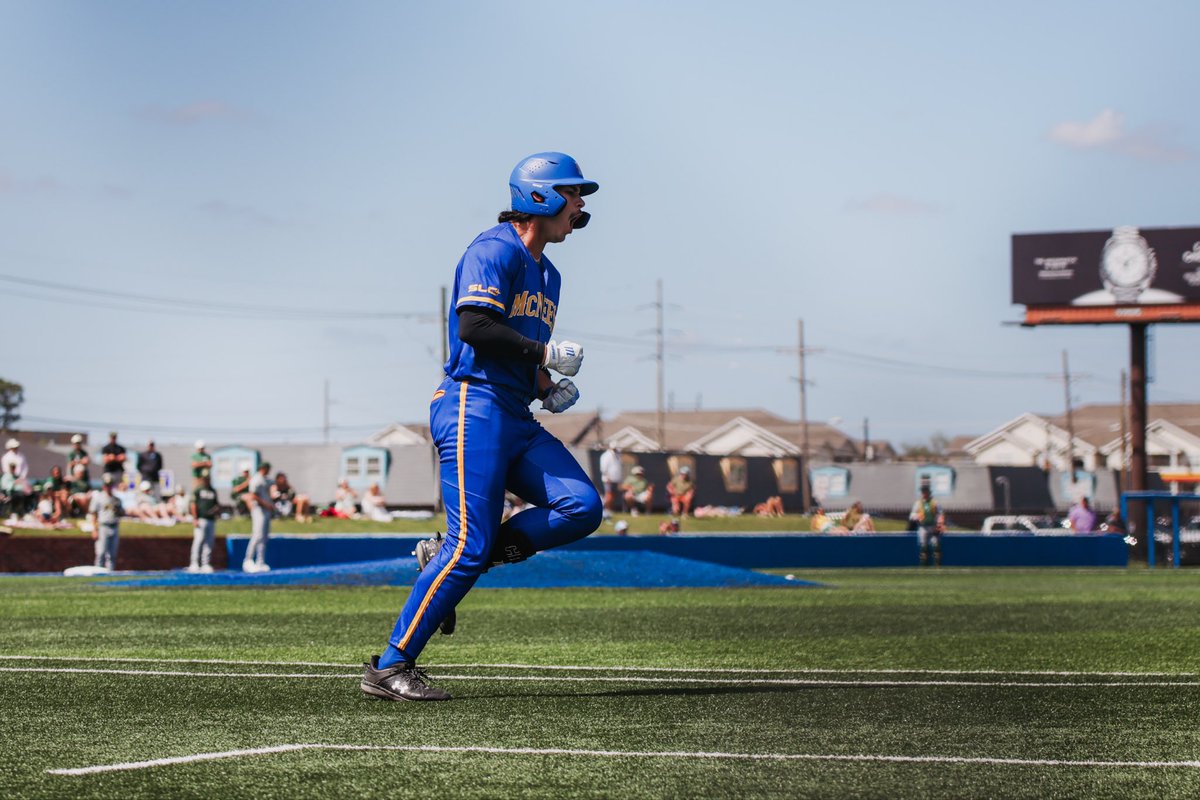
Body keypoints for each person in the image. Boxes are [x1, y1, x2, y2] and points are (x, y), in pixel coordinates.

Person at [363, 151, 603, 703]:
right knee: (469, 545)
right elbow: (474, 325)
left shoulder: (550, 272)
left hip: (514, 411)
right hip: (473, 406)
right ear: (539, 196)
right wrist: (544, 351)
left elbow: (511, 346)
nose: (581, 204)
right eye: (573, 192)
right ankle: (390, 665)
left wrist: (543, 384)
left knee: (581, 508)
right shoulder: (492, 248)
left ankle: (450, 552)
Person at [88, 474, 123, 570]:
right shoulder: (98, 497)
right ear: (103, 486)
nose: (109, 487)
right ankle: (98, 573)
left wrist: (118, 510)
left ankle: (110, 574)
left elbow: (121, 513)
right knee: (101, 553)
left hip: (114, 526)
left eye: (110, 485)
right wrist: (94, 529)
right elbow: (93, 514)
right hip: (103, 526)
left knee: (112, 554)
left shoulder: (116, 499)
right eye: (107, 485)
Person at [243, 461, 273, 572]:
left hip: (266, 510)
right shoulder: (256, 479)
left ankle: (260, 561)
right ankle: (248, 560)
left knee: (264, 537)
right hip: (259, 509)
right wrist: (266, 504)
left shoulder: (266, 479)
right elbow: (253, 495)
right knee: (257, 535)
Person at [188, 470, 219, 573]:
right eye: (204, 478)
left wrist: (216, 510)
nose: (206, 480)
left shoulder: (212, 490)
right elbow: (193, 504)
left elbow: (216, 504)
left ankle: (206, 563)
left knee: (209, 542)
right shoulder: (198, 490)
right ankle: (194, 563)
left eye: (208, 478)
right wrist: (195, 518)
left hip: (211, 519)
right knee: (198, 540)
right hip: (201, 518)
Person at [910, 485, 945, 566]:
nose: (924, 493)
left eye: (925, 491)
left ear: (929, 492)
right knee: (923, 546)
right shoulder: (918, 503)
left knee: (936, 544)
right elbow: (912, 515)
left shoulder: (934, 503)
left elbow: (940, 514)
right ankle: (923, 564)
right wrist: (917, 516)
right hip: (923, 527)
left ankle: (937, 564)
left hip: (933, 526)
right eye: (923, 492)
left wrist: (939, 524)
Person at [598, 442, 623, 520]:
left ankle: (609, 510)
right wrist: (607, 477)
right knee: (609, 495)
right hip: (608, 479)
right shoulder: (606, 456)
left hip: (615, 478)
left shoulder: (618, 455)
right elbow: (603, 468)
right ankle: (606, 510)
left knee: (613, 495)